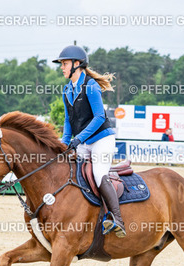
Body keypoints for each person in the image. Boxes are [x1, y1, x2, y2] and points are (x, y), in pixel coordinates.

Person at [53, 44, 125, 238]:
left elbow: (100, 117)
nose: (62, 67)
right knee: (68, 170)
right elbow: (68, 121)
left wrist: (79, 139)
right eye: (62, 64)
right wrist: (63, 144)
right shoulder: (67, 90)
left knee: (98, 173)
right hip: (83, 142)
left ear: (77, 64)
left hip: (102, 139)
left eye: (65, 64)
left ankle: (117, 218)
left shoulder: (91, 86)